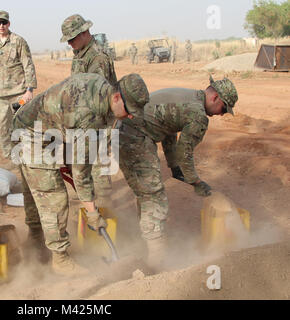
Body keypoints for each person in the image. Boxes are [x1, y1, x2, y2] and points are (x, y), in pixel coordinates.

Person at [13, 72, 149, 276]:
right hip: (32, 134)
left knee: (37, 188)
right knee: (53, 197)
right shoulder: (89, 117)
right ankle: (60, 259)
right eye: (130, 111)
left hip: (39, 126)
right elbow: (81, 173)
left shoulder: (101, 85)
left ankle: (35, 241)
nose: (130, 116)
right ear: (117, 97)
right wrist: (93, 214)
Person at [118, 75, 238, 270]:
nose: (221, 114)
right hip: (135, 137)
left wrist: (174, 167)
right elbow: (186, 153)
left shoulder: (187, 96)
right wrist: (195, 182)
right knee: (154, 195)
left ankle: (145, 243)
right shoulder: (198, 114)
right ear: (215, 97)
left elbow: (168, 129)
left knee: (146, 191)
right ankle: (157, 259)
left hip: (123, 131)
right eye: (224, 108)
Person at [60, 14, 118, 209]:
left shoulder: (97, 57)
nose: (70, 43)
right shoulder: (81, 53)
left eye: (72, 39)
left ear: (85, 32)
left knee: (98, 170)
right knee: (82, 168)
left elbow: (97, 95)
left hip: (98, 122)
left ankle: (105, 213)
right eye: (67, 40)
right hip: (82, 120)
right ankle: (89, 209)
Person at [0, 10, 37, 160]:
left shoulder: (18, 41)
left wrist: (29, 90)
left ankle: (28, 156)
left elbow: (28, 65)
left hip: (19, 94)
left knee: (24, 125)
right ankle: (10, 158)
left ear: (8, 23)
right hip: (1, 96)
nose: (1, 25)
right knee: (2, 126)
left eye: (4, 22)